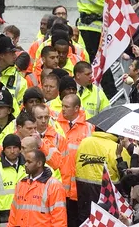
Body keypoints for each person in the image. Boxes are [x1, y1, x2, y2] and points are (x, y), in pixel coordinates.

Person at [74, 128, 130, 224]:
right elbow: (126, 174)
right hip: (108, 193)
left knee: (86, 221)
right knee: (106, 222)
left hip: (83, 190)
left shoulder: (84, 142)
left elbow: (76, 161)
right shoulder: (117, 148)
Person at [54, 95, 93, 227]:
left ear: (76, 108)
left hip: (80, 185)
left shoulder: (88, 127)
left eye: (66, 106)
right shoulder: (55, 125)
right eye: (62, 106)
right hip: (61, 185)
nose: (62, 109)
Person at [7, 149, 66, 227]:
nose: (26, 164)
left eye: (29, 162)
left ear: (39, 163)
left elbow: (59, 219)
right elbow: (13, 215)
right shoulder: (21, 184)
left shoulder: (54, 186)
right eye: (25, 161)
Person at [0, 134, 24, 225]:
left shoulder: (28, 167)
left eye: (15, 147)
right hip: (3, 218)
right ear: (3, 149)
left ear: (20, 149)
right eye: (9, 148)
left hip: (25, 215)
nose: (12, 151)